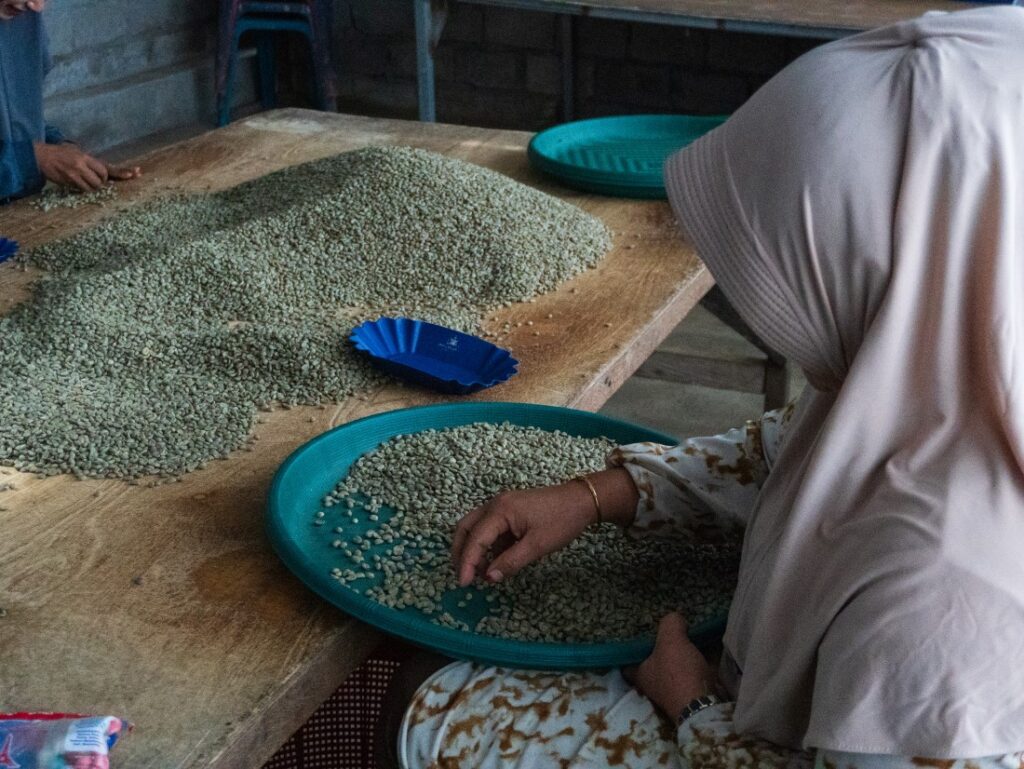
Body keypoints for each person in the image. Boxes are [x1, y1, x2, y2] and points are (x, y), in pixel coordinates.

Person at [379, 5, 1024, 768]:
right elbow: (780, 446)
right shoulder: (955, 361)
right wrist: (596, 495)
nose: (760, 312)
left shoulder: (942, 612)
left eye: (795, 275)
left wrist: (692, 703)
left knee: (428, 702)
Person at [0, 0, 140, 203]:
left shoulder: (23, 19)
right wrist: (35, 158)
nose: (37, 6)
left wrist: (61, 150)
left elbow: (15, 116)